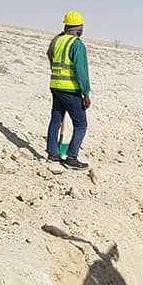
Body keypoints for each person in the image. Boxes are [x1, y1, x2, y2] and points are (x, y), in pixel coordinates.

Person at [46, 10, 92, 170]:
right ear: (78, 28)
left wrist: (55, 70)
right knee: (81, 124)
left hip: (55, 86)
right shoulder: (77, 44)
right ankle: (71, 158)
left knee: (56, 120)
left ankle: (52, 154)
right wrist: (86, 93)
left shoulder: (57, 40)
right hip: (70, 90)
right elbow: (81, 71)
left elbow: (49, 54)